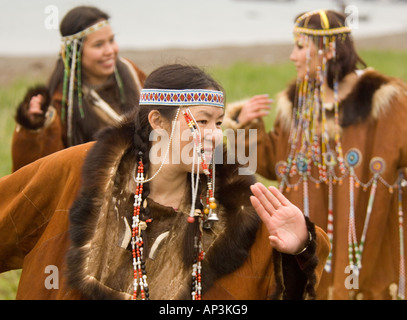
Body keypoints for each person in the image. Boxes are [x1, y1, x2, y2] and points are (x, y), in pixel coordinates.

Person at [0, 64, 329, 300]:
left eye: (218, 122)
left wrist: (301, 246)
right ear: (158, 121)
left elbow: (287, 288)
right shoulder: (81, 170)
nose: (215, 135)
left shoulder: (237, 211)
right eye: (201, 122)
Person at [223, 9, 407, 300]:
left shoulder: (386, 102)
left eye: (300, 47)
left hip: (367, 240)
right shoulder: (296, 105)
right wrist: (241, 121)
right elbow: (269, 161)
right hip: (309, 238)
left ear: (329, 49)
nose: (292, 56)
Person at [11, 6, 146, 172]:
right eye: (98, 45)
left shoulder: (131, 71)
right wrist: (34, 129)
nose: (110, 51)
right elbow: (40, 172)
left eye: (111, 40)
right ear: (75, 52)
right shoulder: (60, 103)